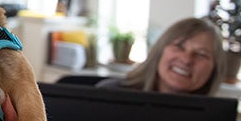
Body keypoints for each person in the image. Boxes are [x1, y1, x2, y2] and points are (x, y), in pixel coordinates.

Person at [96, 17, 226, 95]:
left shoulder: (217, 120)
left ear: (214, 69)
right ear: (159, 51)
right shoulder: (111, 93)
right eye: (179, 46)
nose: (186, 59)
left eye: (201, 54)